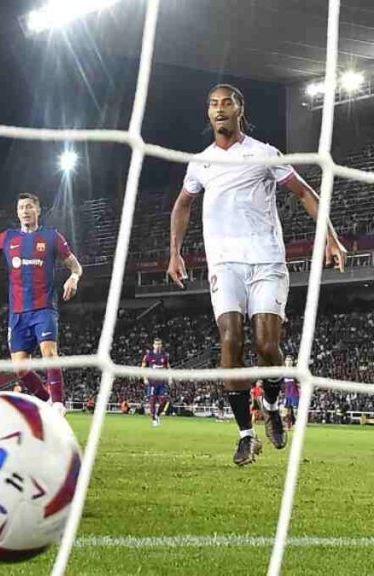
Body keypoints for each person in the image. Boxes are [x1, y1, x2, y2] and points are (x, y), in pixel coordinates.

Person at [167, 83, 347, 466]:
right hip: (224, 263)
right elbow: (182, 205)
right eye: (213, 104)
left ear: (239, 109)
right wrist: (175, 253)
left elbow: (303, 193)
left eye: (226, 103)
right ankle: (246, 436)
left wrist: (330, 238)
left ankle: (271, 404)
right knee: (230, 339)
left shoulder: (264, 154)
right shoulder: (200, 162)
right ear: (208, 112)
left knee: (267, 345)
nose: (219, 109)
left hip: (266, 260)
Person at [0, 193, 82, 416]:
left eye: (29, 207)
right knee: (20, 369)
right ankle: (47, 401)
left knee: (49, 353)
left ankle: (59, 405)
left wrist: (74, 278)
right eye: (21, 207)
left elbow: (75, 266)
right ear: (17, 212)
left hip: (44, 308)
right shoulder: (8, 237)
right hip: (18, 313)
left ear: (38, 210)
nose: (25, 211)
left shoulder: (52, 237)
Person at [141, 338, 171, 427]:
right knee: (152, 401)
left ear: (161, 345)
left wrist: (169, 377)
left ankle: (158, 414)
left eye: (159, 344)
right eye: (156, 344)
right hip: (152, 382)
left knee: (164, 399)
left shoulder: (164, 355)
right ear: (153, 345)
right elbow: (142, 368)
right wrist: (145, 378)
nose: (158, 346)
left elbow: (168, 367)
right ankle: (154, 419)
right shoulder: (148, 355)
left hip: (162, 382)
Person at [283, 356, 299, 430]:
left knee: (295, 410)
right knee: (287, 411)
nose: (288, 362)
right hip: (287, 393)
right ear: (285, 362)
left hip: (294, 392)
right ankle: (288, 425)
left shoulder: (295, 370)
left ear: (292, 362)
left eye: (290, 360)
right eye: (287, 360)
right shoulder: (282, 371)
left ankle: (297, 424)